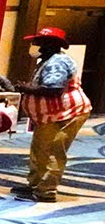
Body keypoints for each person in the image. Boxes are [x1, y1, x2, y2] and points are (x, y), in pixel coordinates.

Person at [13, 27, 92, 202]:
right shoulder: (48, 60)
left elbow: (54, 89)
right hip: (51, 115)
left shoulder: (58, 62)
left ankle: (46, 192)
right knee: (39, 149)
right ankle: (35, 184)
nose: (36, 46)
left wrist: (26, 88)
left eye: (40, 42)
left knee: (52, 152)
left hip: (65, 114)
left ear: (52, 44)